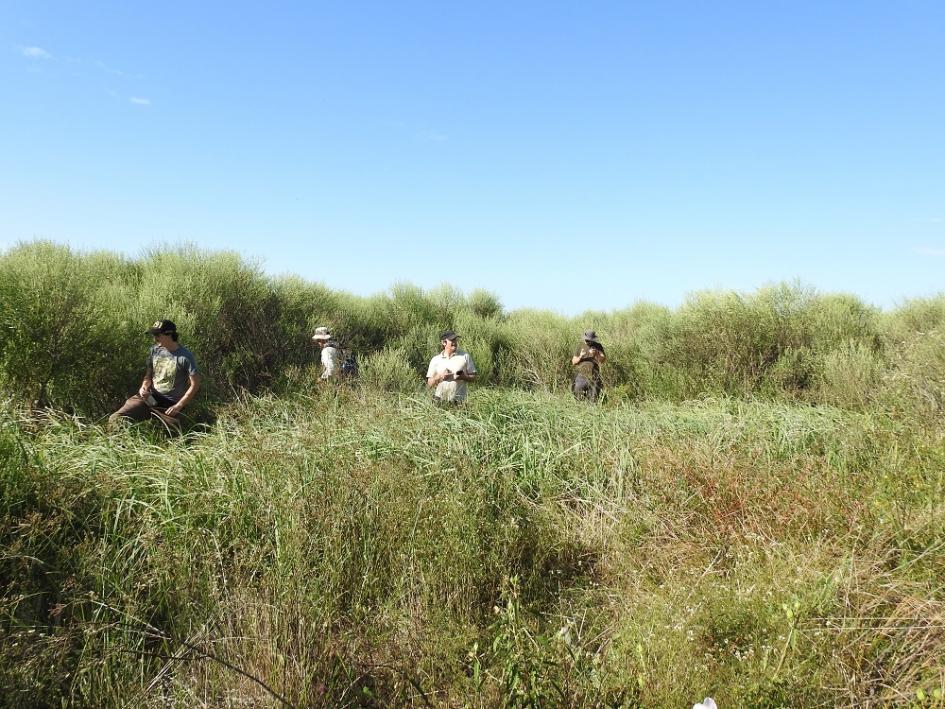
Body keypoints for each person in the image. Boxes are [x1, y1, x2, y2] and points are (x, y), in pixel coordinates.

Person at [109, 319, 200, 428]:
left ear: (169, 334)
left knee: (173, 439)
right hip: (149, 397)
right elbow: (149, 375)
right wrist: (144, 386)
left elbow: (195, 384)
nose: (155, 339)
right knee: (116, 419)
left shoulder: (185, 356)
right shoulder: (155, 350)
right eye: (153, 335)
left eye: (157, 335)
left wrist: (178, 406)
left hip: (170, 404)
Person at [426, 330, 477, 404]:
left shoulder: (465, 356)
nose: (455, 342)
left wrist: (463, 377)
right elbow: (429, 384)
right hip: (438, 400)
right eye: (451, 340)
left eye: (455, 340)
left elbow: (473, 377)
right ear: (444, 342)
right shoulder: (435, 360)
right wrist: (439, 376)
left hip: (458, 401)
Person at [571, 329, 606, 402]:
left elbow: (602, 360)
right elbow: (574, 362)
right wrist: (581, 356)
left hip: (594, 376)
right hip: (581, 376)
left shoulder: (598, 346)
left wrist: (596, 354)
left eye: (589, 340)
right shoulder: (580, 345)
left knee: (594, 399)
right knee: (578, 398)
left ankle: (591, 412)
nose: (588, 342)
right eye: (586, 340)